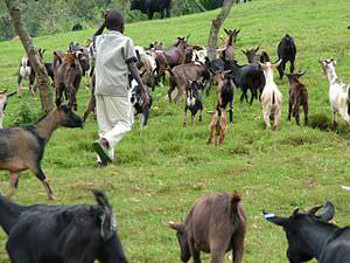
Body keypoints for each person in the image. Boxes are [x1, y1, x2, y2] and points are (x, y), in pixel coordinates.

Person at [92, 10, 148, 168]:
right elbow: (132, 67)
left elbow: (95, 36)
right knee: (125, 123)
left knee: (105, 128)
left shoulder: (100, 40)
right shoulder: (126, 41)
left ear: (107, 25)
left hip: (100, 88)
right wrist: (143, 89)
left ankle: (102, 162)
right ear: (122, 26)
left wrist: (104, 23)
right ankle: (105, 142)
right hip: (117, 88)